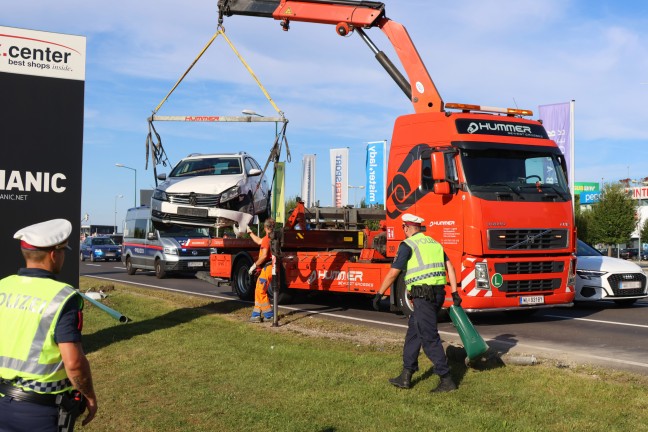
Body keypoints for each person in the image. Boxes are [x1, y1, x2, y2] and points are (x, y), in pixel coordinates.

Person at [0, 219, 98, 431]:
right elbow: (73, 363)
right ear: (54, 254)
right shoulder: (63, 297)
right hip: (40, 412)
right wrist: (89, 396)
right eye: (63, 251)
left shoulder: (3, 286)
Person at [373, 213, 462, 393]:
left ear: (406, 227)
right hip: (437, 295)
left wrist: (379, 293)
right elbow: (450, 268)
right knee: (414, 333)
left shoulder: (408, 245)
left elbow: (393, 273)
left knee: (429, 337)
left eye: (403, 228)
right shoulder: (435, 244)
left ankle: (446, 379)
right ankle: (406, 375)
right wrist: (454, 292)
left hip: (423, 298)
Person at [246, 218, 276, 323]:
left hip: (267, 268)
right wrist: (250, 232)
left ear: (265, 228)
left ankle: (269, 315)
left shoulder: (267, 239)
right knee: (258, 289)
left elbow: (263, 256)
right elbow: (259, 241)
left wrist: (254, 266)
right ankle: (256, 314)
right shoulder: (271, 238)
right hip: (269, 268)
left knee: (260, 290)